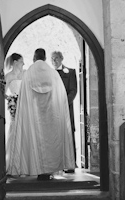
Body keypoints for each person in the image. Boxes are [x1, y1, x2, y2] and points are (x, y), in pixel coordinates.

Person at [6, 48, 75, 180]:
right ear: (44, 58)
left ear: (34, 57)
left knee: (34, 140)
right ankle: (49, 171)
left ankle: (34, 168)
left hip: (34, 114)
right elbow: (60, 94)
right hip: (50, 115)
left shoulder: (29, 73)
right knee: (50, 141)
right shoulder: (52, 73)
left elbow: (24, 94)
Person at [51, 51, 78, 173]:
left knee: (68, 133)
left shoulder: (70, 72)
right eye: (52, 59)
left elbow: (73, 90)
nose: (54, 61)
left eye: (56, 58)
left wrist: (64, 103)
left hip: (66, 108)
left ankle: (70, 164)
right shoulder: (50, 73)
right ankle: (56, 164)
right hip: (53, 109)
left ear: (61, 58)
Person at [4, 53, 25, 170]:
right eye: (21, 61)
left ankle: (24, 164)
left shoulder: (24, 74)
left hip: (25, 106)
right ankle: (13, 164)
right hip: (15, 106)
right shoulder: (9, 76)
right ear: (15, 62)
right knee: (15, 131)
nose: (23, 64)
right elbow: (3, 92)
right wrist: (11, 99)